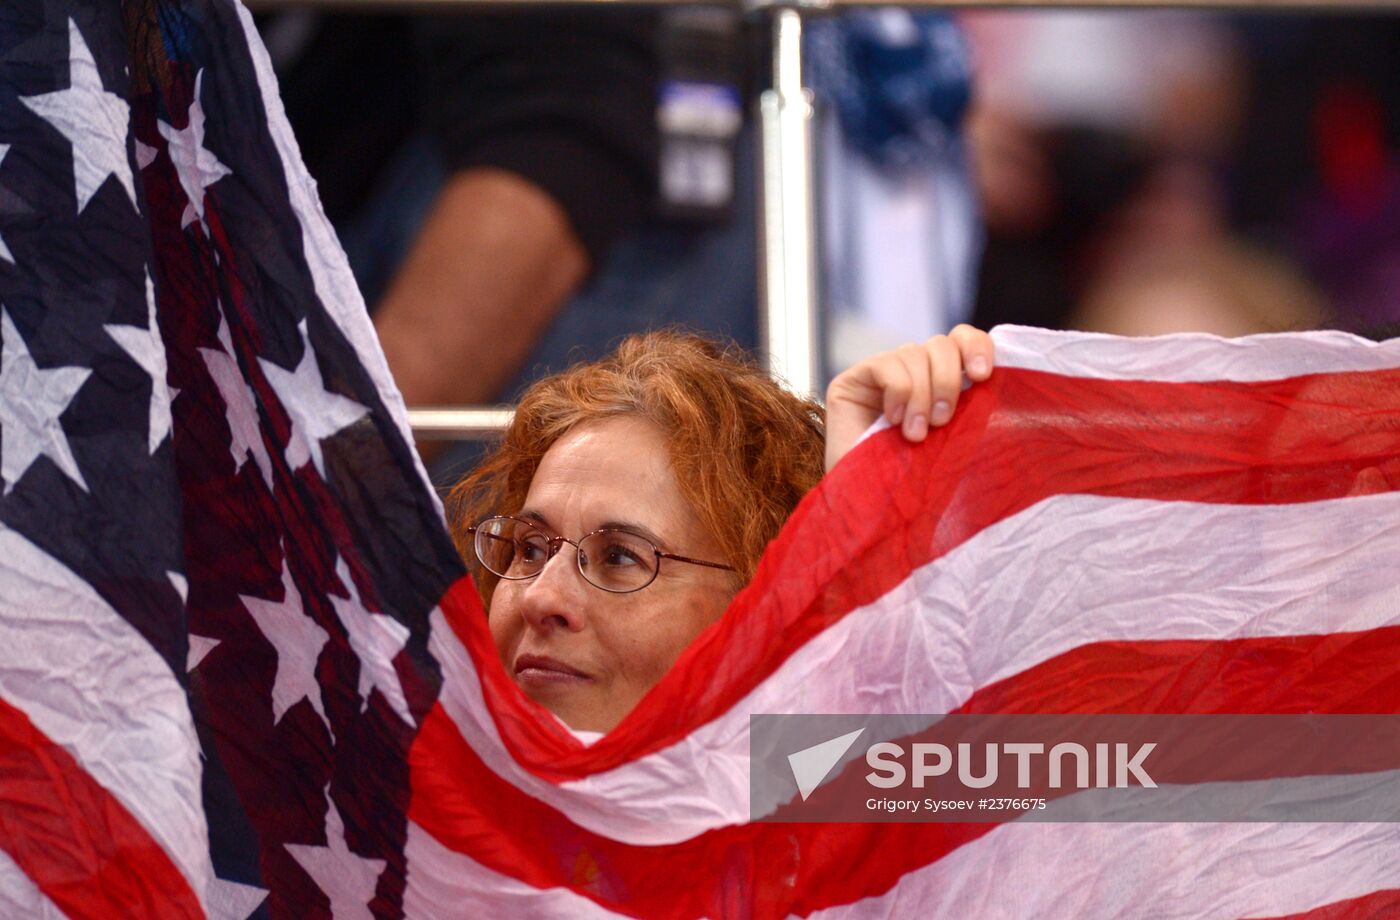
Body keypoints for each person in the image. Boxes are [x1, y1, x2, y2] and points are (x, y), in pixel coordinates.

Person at [445, 327, 994, 733]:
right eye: (531, 549)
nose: (542, 597)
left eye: (618, 557)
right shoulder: (415, 790)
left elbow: (1056, 779)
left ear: (757, 612)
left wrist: (862, 543)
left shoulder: (777, 792)